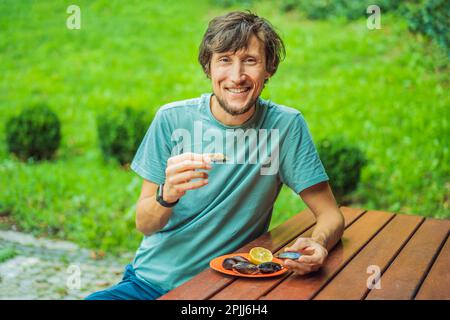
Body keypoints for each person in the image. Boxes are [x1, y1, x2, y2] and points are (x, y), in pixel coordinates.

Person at [86, 10, 344, 300]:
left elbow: (330, 214)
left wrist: (318, 244)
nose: (237, 76)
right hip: (149, 284)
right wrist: (167, 193)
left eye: (250, 60)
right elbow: (145, 224)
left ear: (268, 68)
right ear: (208, 67)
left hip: (225, 289)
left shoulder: (285, 127)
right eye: (224, 59)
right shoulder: (172, 119)